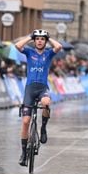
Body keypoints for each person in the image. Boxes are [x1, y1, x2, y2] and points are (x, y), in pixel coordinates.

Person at [15, 29, 62, 166]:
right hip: (30, 89)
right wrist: (30, 36)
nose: (40, 41)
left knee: (46, 102)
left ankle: (43, 128)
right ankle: (24, 153)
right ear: (34, 41)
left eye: (42, 39)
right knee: (25, 121)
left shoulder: (48, 54)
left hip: (42, 88)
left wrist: (49, 37)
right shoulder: (29, 52)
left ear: (45, 41)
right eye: (38, 39)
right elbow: (18, 46)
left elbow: (58, 46)